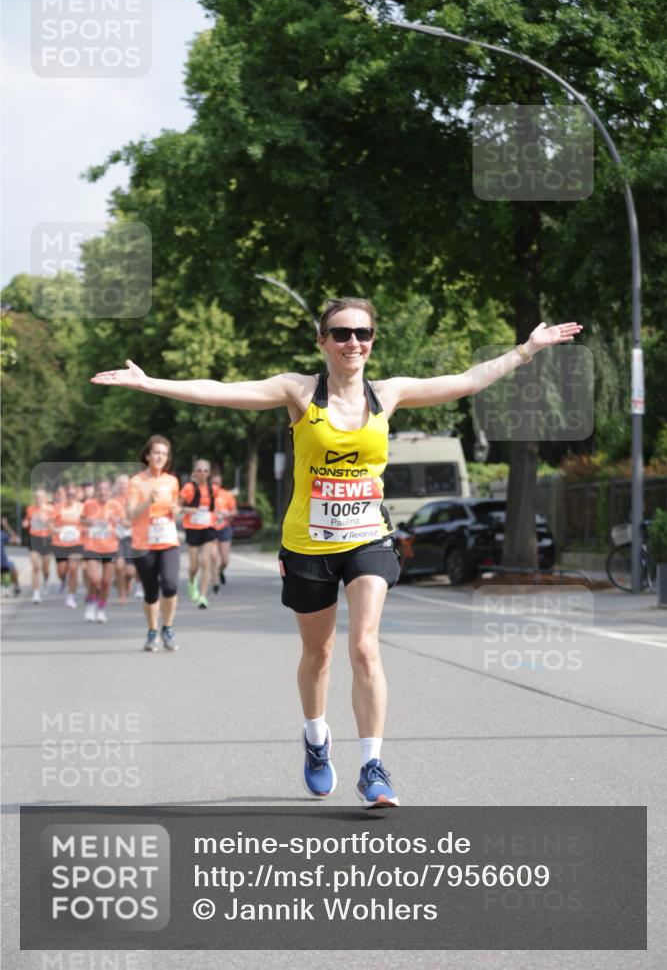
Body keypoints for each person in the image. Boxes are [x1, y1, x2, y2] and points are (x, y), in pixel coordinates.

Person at [92, 298, 582, 806]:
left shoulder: (388, 394)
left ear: (372, 339)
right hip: (307, 544)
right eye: (342, 333)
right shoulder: (299, 391)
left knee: (365, 647)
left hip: (368, 537)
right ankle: (316, 738)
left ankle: (372, 765)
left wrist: (526, 351)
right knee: (318, 653)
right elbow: (221, 392)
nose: (354, 342)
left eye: (363, 333)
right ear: (322, 340)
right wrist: (150, 383)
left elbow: (467, 380)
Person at [127, 435, 181, 651]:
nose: (160, 456)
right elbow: (130, 513)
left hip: (168, 540)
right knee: (151, 592)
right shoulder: (136, 482)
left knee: (170, 585)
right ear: (148, 455)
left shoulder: (172, 481)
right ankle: (152, 632)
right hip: (144, 544)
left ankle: (167, 628)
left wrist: (175, 510)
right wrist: (148, 501)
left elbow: (175, 507)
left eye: (164, 453)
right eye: (156, 452)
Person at [81, 479, 123, 622]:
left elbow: (126, 523)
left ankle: (101, 609)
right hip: (92, 545)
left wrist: (118, 520)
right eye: (100, 489)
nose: (103, 492)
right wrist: (89, 522)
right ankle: (91, 605)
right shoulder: (88, 504)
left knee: (105, 582)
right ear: (96, 491)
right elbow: (81, 520)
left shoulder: (116, 505)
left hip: (110, 547)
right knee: (94, 579)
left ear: (110, 492)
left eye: (106, 489)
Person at [180, 460, 216, 609]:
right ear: (195, 472)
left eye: (205, 470)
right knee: (194, 566)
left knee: (205, 562)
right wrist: (189, 510)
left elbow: (215, 507)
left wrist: (221, 513)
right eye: (199, 470)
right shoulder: (189, 488)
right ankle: (191, 582)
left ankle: (203, 596)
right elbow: (177, 506)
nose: (202, 473)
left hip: (208, 527)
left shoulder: (213, 489)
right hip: (192, 528)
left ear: (209, 473)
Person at [50, 483, 83, 608]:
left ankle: (71, 596)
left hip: (77, 542)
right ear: (65, 495)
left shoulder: (82, 507)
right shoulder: (58, 507)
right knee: (62, 570)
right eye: (69, 495)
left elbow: (87, 521)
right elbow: (50, 523)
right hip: (60, 543)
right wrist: (55, 530)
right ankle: (63, 580)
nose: (71, 497)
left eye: (73, 495)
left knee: (73, 569)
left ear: (77, 495)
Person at [22, 487, 53, 602]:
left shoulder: (51, 509)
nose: (38, 499)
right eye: (36, 497)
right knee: (36, 567)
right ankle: (36, 593)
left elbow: (55, 524)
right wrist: (25, 523)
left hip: (46, 539)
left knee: (45, 567)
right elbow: (27, 521)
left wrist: (48, 522)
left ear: (45, 498)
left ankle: (46, 580)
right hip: (34, 539)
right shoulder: (30, 509)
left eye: (40, 497)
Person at [112, 474, 137, 604]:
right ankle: (121, 595)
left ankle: (124, 582)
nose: (122, 486)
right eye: (120, 484)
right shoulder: (112, 501)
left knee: (131, 572)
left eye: (125, 484)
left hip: (131, 538)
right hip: (117, 538)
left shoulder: (134, 500)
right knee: (119, 566)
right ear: (116, 486)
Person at [211, 470, 237, 592]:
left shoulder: (226, 495)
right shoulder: (206, 495)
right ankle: (216, 584)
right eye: (213, 482)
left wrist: (227, 513)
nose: (215, 484)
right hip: (210, 528)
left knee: (225, 560)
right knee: (213, 557)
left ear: (220, 481)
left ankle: (220, 571)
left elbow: (234, 511)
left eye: (217, 481)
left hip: (224, 528)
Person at [1, 517, 21, 596]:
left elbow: (17, 540)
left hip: (3, 563)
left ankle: (16, 587)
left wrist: (7, 527)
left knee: (12, 567)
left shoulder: (1, 534)